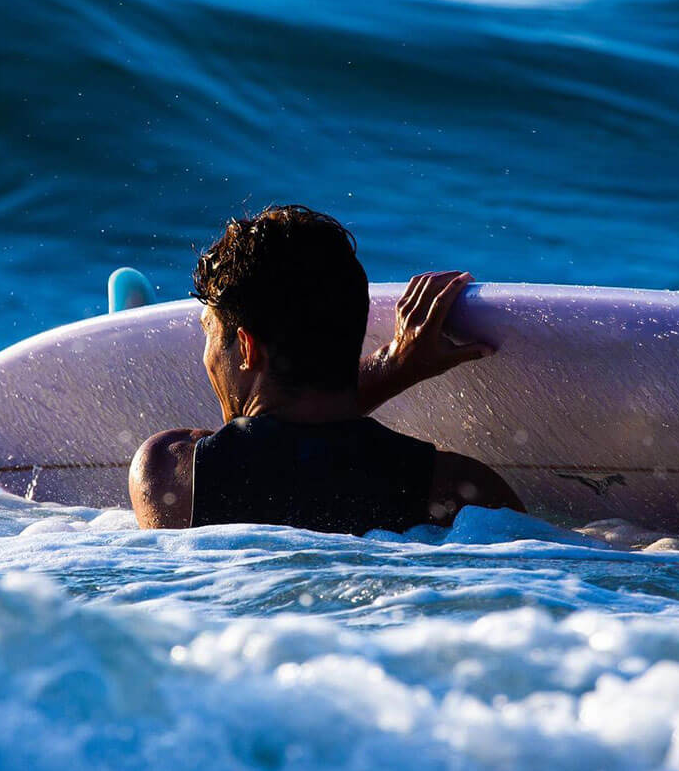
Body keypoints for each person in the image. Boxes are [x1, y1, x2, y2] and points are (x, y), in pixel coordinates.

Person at [129, 204, 524, 532]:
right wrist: (395, 363)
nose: (209, 357)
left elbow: (276, 454)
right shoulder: (459, 489)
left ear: (247, 347)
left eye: (210, 334)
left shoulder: (172, 474)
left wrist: (395, 368)